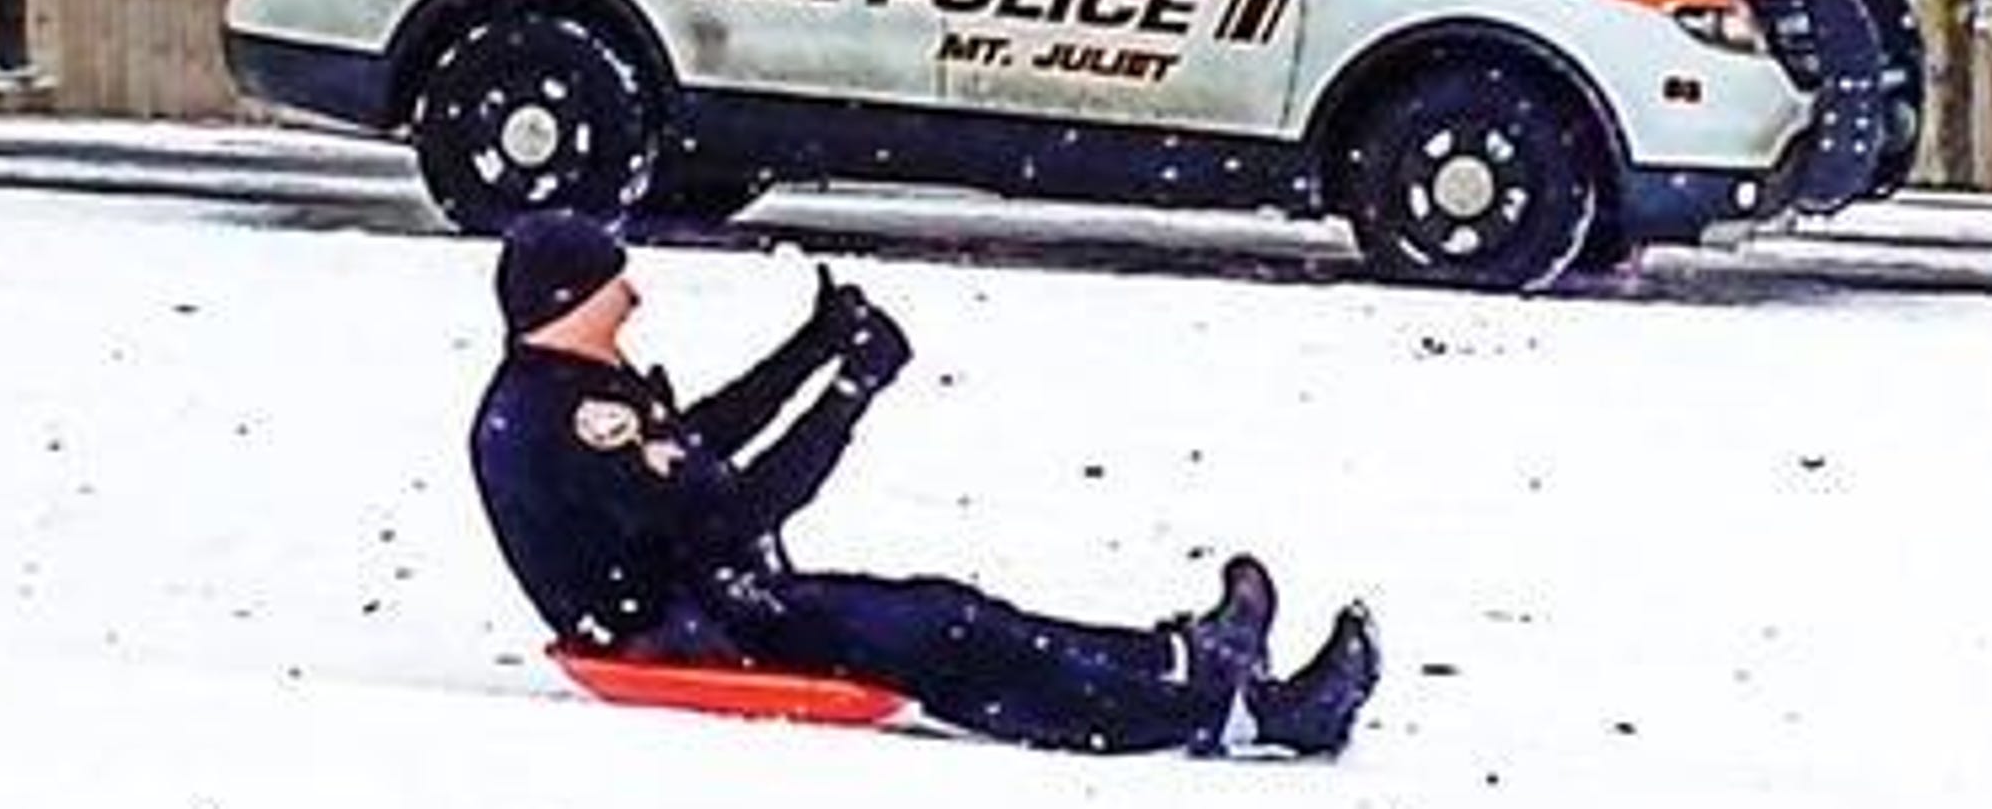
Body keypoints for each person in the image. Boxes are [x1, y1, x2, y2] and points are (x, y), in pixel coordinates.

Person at [468, 210, 1380, 757]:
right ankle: (1246, 715)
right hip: (694, 633)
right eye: (614, 283)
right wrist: (849, 393)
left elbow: (700, 440)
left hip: (722, 602)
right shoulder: (568, 420)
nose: (635, 296)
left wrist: (815, 345)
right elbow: (738, 505)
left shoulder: (572, 388)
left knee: (955, 611)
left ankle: (1187, 659)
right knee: (949, 641)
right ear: (566, 301)